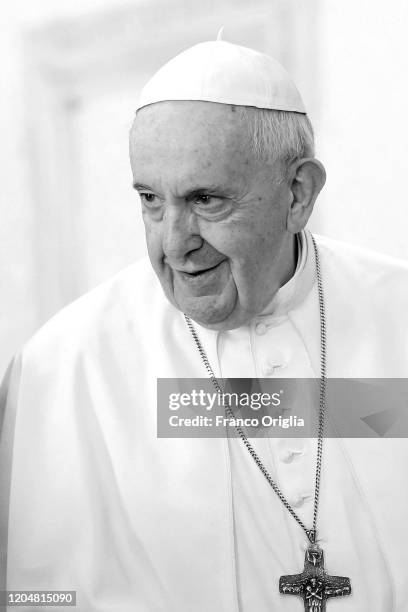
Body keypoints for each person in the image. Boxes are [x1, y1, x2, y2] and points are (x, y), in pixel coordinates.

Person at [1, 37, 408, 612]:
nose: (174, 243)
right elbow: (34, 598)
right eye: (150, 199)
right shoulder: (64, 369)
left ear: (298, 193)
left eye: (207, 200)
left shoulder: (398, 316)